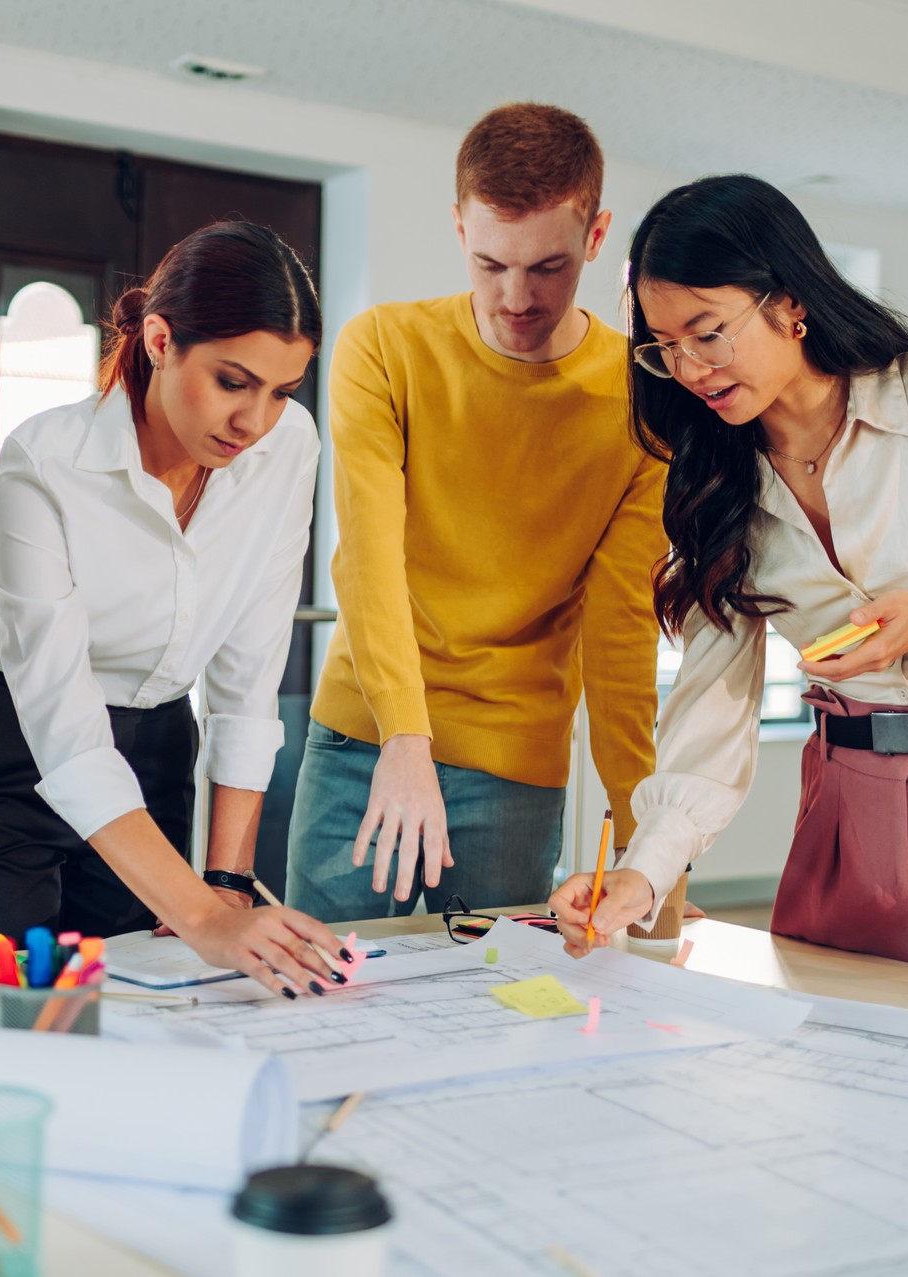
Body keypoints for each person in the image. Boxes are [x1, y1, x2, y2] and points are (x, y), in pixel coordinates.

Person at [552, 174, 908, 998]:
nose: (687, 367)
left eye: (708, 332)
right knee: (842, 1080)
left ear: (790, 304)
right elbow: (712, 703)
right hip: (844, 811)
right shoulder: (715, 482)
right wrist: (641, 874)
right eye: (663, 345)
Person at [0, 220, 347, 996]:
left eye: (282, 391)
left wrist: (226, 879)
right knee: (15, 1021)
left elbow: (249, 677)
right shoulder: (42, 463)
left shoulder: (288, 447)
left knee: (142, 1017)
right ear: (159, 339)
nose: (255, 421)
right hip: (3, 762)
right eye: (233, 381)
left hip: (155, 760)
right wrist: (206, 920)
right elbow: (68, 736)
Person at [285, 103, 669, 918]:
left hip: (513, 765)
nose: (517, 297)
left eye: (548, 267)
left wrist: (649, 849)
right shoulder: (383, 347)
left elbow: (620, 632)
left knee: (496, 1010)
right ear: (458, 227)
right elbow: (368, 555)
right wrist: (403, 735)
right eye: (491, 263)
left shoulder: (644, 403)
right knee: (317, 1001)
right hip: (365, 741)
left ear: (598, 238)